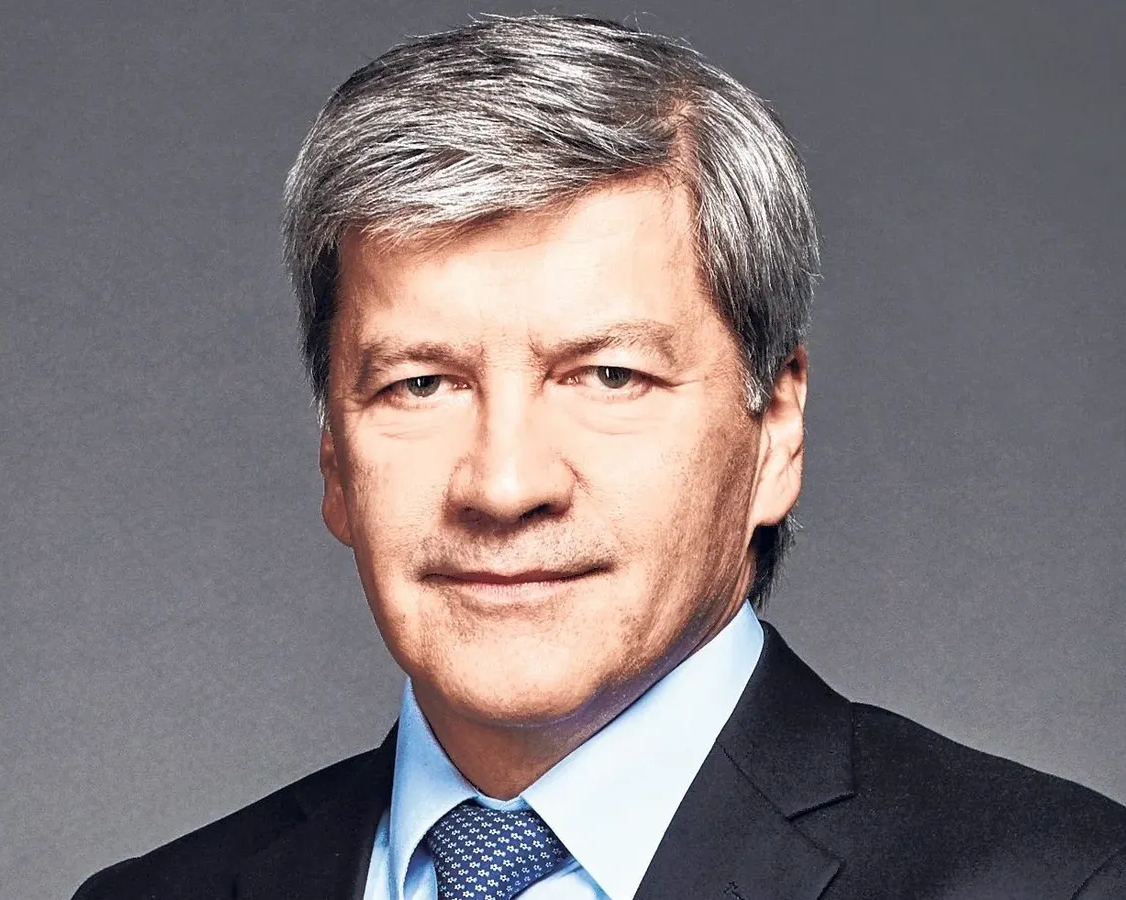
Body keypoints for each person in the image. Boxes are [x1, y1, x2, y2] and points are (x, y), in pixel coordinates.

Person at [72, 13, 1126, 900]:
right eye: (421, 384)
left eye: (608, 376)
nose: (505, 484)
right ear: (333, 459)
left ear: (776, 430)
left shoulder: (1064, 881)